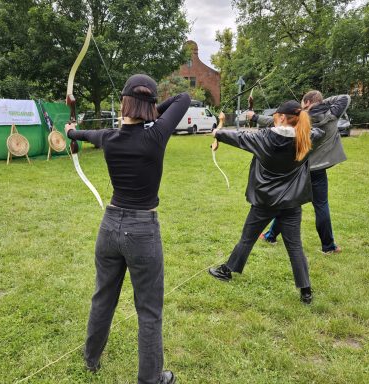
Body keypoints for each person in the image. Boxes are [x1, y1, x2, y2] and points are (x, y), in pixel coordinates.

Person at [65, 74, 190, 384]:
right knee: (149, 310)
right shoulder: (157, 134)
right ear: (148, 107)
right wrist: (149, 110)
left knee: (102, 297)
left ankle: (91, 358)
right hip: (142, 230)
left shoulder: (109, 137)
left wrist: (71, 131)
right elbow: (183, 98)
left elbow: (81, 133)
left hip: (109, 226)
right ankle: (151, 379)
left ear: (123, 103)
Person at [208, 100, 324, 304]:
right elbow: (318, 132)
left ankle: (226, 271)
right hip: (291, 203)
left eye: (275, 116)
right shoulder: (307, 139)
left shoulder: (263, 137)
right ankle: (306, 291)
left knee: (247, 238)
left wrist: (219, 127)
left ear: (280, 118)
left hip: (264, 202)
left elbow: (231, 136)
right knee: (294, 246)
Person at [251, 91, 350, 254]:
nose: (301, 106)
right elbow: (345, 97)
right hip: (318, 169)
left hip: (302, 168)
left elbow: (275, 122)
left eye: (303, 103)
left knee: (288, 203)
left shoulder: (303, 118)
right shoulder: (331, 113)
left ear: (308, 102)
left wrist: (254, 117)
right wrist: (319, 104)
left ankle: (270, 236)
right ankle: (328, 246)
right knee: (321, 206)